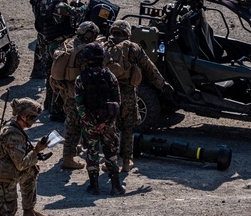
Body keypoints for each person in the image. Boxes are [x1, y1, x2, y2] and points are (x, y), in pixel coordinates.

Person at [104, 20, 166, 171]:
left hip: (108, 94)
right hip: (128, 93)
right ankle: (126, 162)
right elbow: (149, 67)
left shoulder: (104, 46)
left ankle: (110, 161)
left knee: (109, 128)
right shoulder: (133, 48)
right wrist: (162, 84)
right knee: (128, 128)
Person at [49, 21, 102, 170]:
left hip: (66, 90)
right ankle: (68, 158)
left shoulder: (69, 43)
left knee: (72, 121)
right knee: (74, 125)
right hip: (77, 93)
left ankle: (73, 149)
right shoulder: (83, 51)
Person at [75, 42, 125, 195]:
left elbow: (80, 106)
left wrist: (93, 124)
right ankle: (116, 186)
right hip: (108, 123)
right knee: (111, 152)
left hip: (90, 124)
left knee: (92, 152)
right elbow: (118, 102)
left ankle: (94, 186)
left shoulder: (80, 79)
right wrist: (106, 123)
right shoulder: (110, 76)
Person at [29, 0, 78, 78]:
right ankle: (47, 68)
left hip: (41, 10)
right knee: (49, 37)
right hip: (47, 12)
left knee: (42, 38)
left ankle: (38, 69)